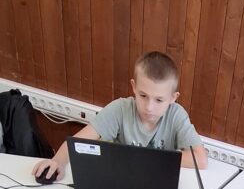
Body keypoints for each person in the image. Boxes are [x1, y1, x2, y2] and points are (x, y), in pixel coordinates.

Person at [32, 51, 208, 181]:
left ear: (173, 98)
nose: (149, 107)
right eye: (143, 96)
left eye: (159, 100)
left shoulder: (176, 114)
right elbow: (77, 142)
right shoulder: (120, 109)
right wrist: (58, 161)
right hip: (123, 182)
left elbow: (200, 160)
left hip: (157, 183)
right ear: (134, 87)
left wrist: (144, 159)